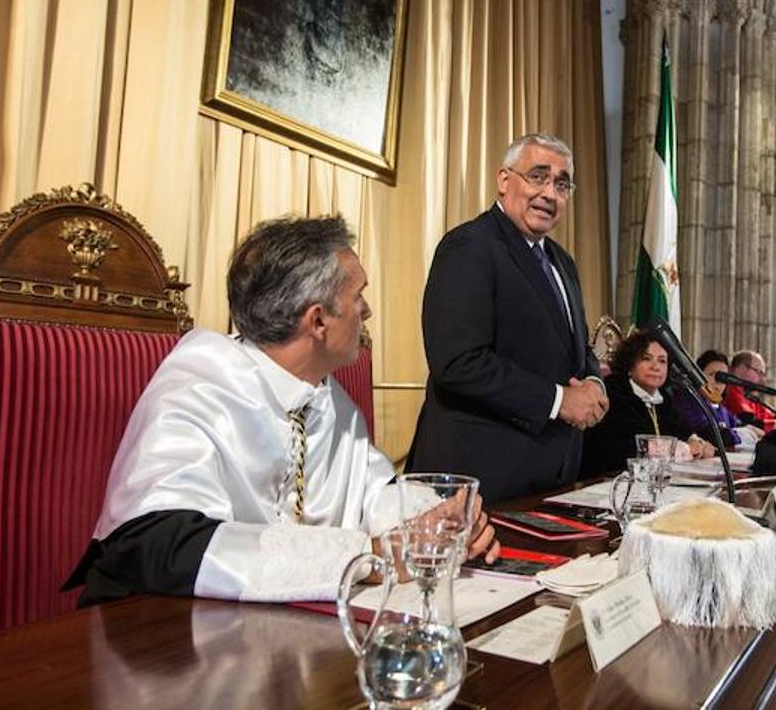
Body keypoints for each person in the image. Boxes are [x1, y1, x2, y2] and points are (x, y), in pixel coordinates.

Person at [65, 215, 499, 606]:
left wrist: (439, 522)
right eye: (358, 295)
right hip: (160, 640)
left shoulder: (327, 396)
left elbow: (374, 492)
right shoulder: (199, 386)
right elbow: (159, 545)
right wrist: (369, 556)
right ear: (317, 321)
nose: (366, 310)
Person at [408, 134, 606, 503]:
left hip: (551, 474)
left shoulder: (564, 264)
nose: (550, 193)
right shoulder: (469, 246)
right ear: (503, 181)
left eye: (562, 184)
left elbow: (576, 349)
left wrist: (594, 380)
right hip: (480, 480)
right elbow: (458, 363)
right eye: (537, 176)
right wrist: (559, 400)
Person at [581, 330, 715, 477]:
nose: (655, 366)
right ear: (630, 363)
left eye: (662, 361)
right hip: (605, 481)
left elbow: (681, 429)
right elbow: (624, 448)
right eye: (646, 358)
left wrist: (698, 442)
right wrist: (684, 449)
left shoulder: (663, 397)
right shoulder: (614, 393)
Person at [672, 349, 764, 449]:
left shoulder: (720, 406)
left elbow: (739, 425)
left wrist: (748, 429)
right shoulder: (689, 401)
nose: (718, 381)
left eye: (723, 377)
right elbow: (712, 435)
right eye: (712, 374)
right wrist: (743, 435)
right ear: (697, 375)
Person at [722, 350, 776, 432]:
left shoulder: (748, 393)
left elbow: (769, 415)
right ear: (741, 368)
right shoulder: (731, 390)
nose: (762, 379)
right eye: (759, 372)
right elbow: (750, 421)